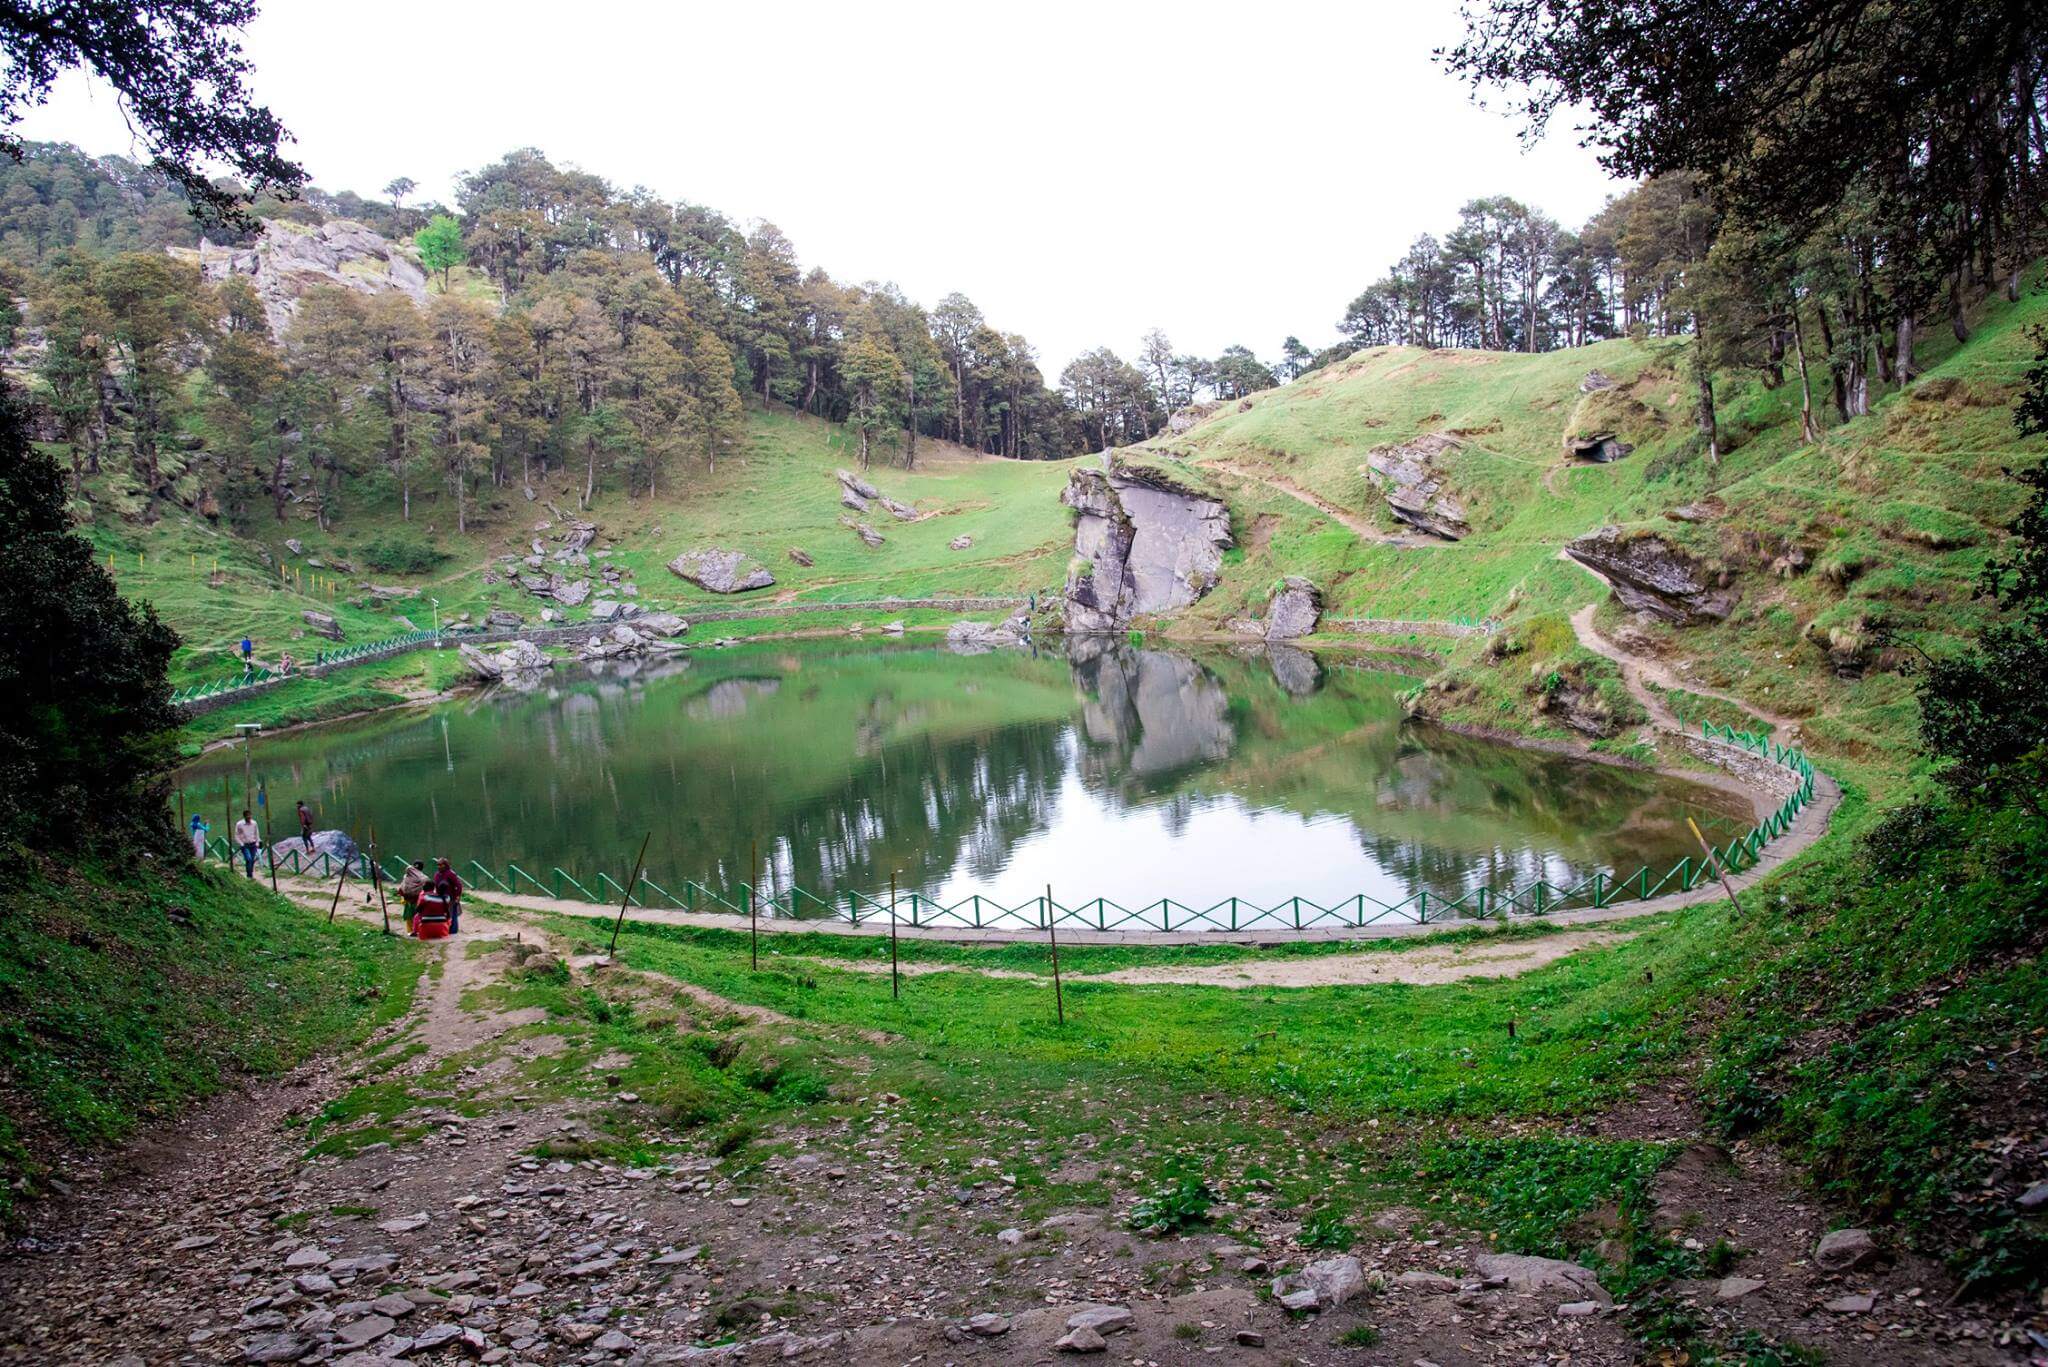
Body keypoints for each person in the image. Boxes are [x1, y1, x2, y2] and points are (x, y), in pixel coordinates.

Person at [433, 857, 465, 935]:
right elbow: (436, 885)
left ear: (445, 865)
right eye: (438, 865)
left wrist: (457, 896)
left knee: (453, 914)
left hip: (451, 897)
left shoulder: (450, 874)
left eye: (441, 865)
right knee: (444, 914)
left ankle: (453, 930)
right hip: (441, 897)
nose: (439, 866)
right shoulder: (437, 874)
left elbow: (459, 885)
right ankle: (445, 928)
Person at [398, 860, 427, 931]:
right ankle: (418, 929)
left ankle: (410, 931)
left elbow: (402, 888)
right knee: (418, 915)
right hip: (418, 900)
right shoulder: (424, 878)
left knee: (409, 916)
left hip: (407, 900)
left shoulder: (406, 876)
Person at [233, 809, 261, 878]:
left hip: (253, 844)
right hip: (245, 845)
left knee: (252, 859)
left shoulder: (254, 823)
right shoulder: (239, 824)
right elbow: (236, 835)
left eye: (250, 816)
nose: (249, 817)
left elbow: (256, 833)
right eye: (247, 816)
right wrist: (241, 843)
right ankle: (249, 876)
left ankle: (250, 873)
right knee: (248, 859)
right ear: (244, 816)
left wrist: (257, 842)